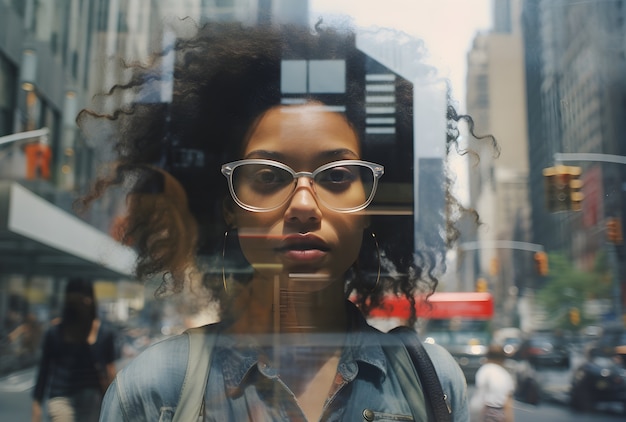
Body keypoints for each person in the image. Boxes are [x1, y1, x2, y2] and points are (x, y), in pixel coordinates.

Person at [77, 21, 484, 422]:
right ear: (228, 207)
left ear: (371, 206)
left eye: (337, 176)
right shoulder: (153, 391)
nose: (303, 205)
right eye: (269, 176)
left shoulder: (431, 384)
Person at [32, 278, 116, 422]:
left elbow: (109, 370)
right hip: (61, 397)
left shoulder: (103, 332)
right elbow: (44, 369)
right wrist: (36, 405)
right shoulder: (54, 332)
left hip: (91, 397)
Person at [470, 344, 515, 422]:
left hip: (484, 410)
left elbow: (481, 395)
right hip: (498, 412)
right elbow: (508, 403)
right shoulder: (505, 375)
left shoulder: (484, 370)